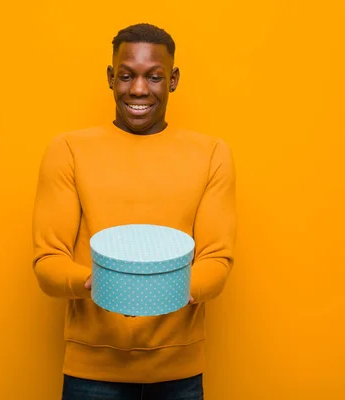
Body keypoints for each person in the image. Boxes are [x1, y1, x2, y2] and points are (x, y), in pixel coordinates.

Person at [32, 22, 237, 400]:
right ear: (111, 78)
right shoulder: (68, 150)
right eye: (126, 76)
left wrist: (170, 289)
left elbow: (217, 259)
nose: (139, 89)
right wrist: (100, 284)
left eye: (154, 77)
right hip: (91, 372)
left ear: (173, 79)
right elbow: (48, 262)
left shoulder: (211, 154)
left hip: (179, 373)